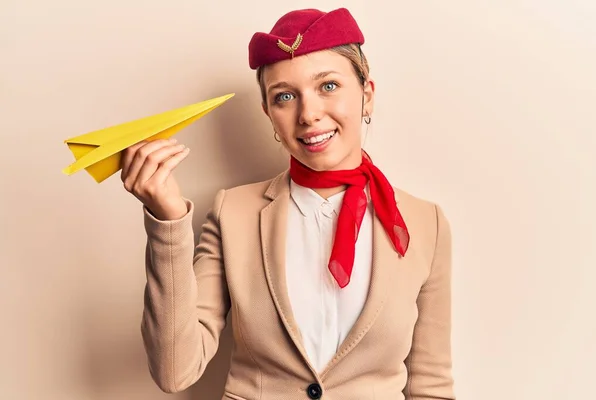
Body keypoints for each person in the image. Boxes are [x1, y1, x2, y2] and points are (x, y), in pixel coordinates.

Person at [120, 7, 456, 400]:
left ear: (367, 96)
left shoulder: (426, 223)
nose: (309, 114)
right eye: (285, 97)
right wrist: (168, 223)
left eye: (328, 86)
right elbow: (175, 371)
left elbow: (430, 384)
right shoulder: (233, 213)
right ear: (269, 114)